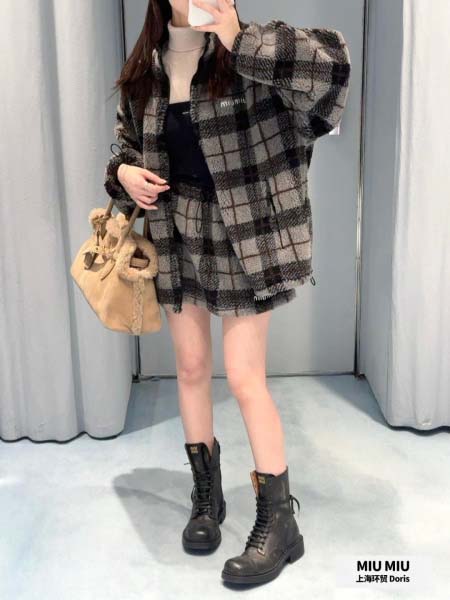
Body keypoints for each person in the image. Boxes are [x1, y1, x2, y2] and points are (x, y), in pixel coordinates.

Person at [104, 0, 351, 586]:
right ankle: (206, 497)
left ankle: (280, 523)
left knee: (244, 377)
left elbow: (332, 74)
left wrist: (238, 37)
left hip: (245, 233)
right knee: (191, 368)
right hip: (174, 230)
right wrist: (124, 174)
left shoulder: (255, 49)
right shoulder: (146, 68)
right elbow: (126, 146)